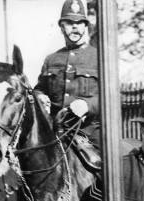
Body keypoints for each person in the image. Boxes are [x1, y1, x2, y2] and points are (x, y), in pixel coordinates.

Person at [34, 0, 101, 172]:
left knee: (107, 170)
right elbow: (39, 88)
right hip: (55, 132)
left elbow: (114, 96)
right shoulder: (52, 59)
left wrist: (88, 105)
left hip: (90, 132)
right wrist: (40, 96)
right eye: (69, 23)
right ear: (61, 27)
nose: (75, 27)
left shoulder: (99, 57)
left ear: (85, 26)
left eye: (79, 23)